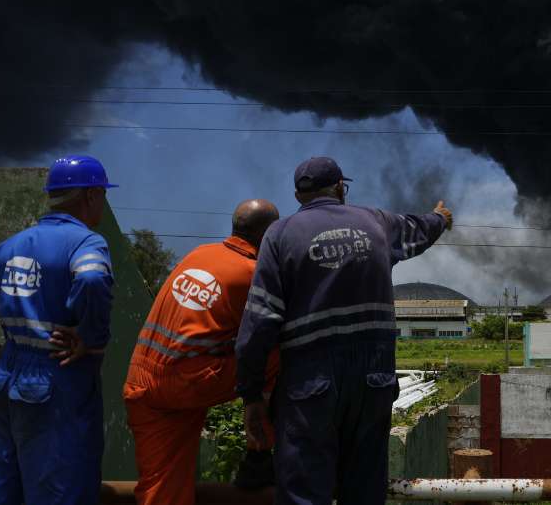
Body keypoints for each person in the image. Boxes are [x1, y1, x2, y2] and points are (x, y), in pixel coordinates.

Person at [235, 157, 453, 505]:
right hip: (373, 377)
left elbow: (260, 321)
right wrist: (440, 217)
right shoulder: (377, 222)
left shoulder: (279, 235)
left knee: (304, 491)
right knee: (364, 487)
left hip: (309, 380)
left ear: (298, 195)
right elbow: (420, 229)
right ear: (340, 187)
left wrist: (251, 394)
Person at [0, 155, 117, 505]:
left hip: (7, 377)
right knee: (61, 489)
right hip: (58, 378)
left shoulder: (13, 245)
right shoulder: (86, 243)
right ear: (93, 195)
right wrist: (90, 339)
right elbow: (93, 278)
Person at [123, 199, 282, 505]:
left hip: (142, 378)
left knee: (162, 488)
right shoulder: (253, 274)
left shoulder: (199, 254)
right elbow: (260, 343)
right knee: (280, 352)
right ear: (269, 235)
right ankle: (259, 456)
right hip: (188, 381)